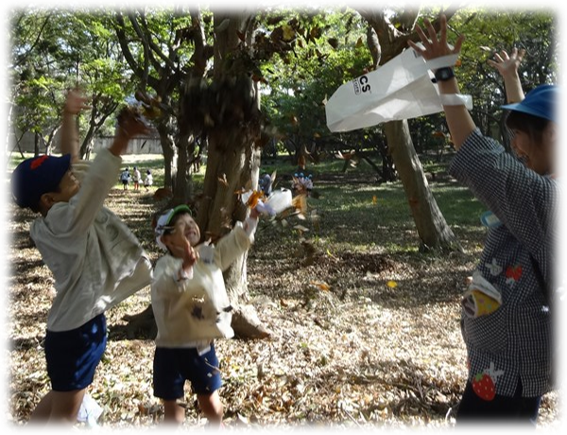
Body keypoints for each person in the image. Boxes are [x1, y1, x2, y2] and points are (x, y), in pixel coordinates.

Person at [409, 16, 565, 433]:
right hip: (515, 361)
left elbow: (489, 164)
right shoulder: (551, 183)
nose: (515, 145)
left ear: (553, 134)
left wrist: (444, 76)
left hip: (507, 369)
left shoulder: (555, 200)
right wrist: (512, 81)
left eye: (521, 133)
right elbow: (519, 163)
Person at [10, 91, 153, 434]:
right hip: (77, 332)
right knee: (63, 419)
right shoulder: (64, 222)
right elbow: (96, 185)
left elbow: (71, 157)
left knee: (60, 399)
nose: (73, 174)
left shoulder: (57, 213)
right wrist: (121, 140)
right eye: (66, 177)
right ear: (48, 198)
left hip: (73, 327)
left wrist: (69, 115)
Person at [151, 203, 260, 434]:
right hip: (170, 351)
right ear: (168, 241)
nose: (189, 225)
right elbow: (169, 287)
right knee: (175, 417)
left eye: (191, 221)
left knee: (211, 404)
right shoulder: (164, 266)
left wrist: (253, 217)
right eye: (181, 225)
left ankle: (215, 427)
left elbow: (235, 242)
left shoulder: (208, 257)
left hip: (202, 349)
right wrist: (186, 268)